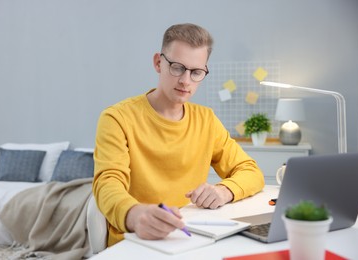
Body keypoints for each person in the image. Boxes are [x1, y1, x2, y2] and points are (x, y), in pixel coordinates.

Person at [92, 23, 265, 247]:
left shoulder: (206, 119)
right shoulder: (117, 118)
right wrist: (135, 215)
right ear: (158, 62)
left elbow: (250, 171)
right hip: (136, 239)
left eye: (196, 72)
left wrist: (224, 191)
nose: (186, 81)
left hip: (191, 237)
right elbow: (107, 184)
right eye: (177, 67)